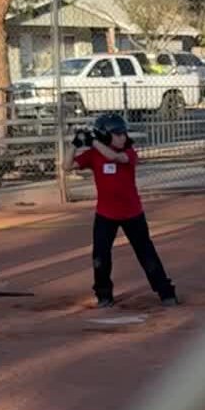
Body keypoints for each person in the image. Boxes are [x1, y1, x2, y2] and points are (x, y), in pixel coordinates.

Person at [72, 114, 179, 308]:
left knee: (146, 254)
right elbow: (65, 166)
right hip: (105, 215)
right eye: (117, 134)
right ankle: (104, 295)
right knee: (100, 256)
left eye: (123, 133)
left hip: (132, 214)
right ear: (105, 135)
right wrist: (74, 144)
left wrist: (93, 141)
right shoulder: (94, 154)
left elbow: (113, 157)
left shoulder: (129, 151)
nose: (122, 137)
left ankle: (166, 292)